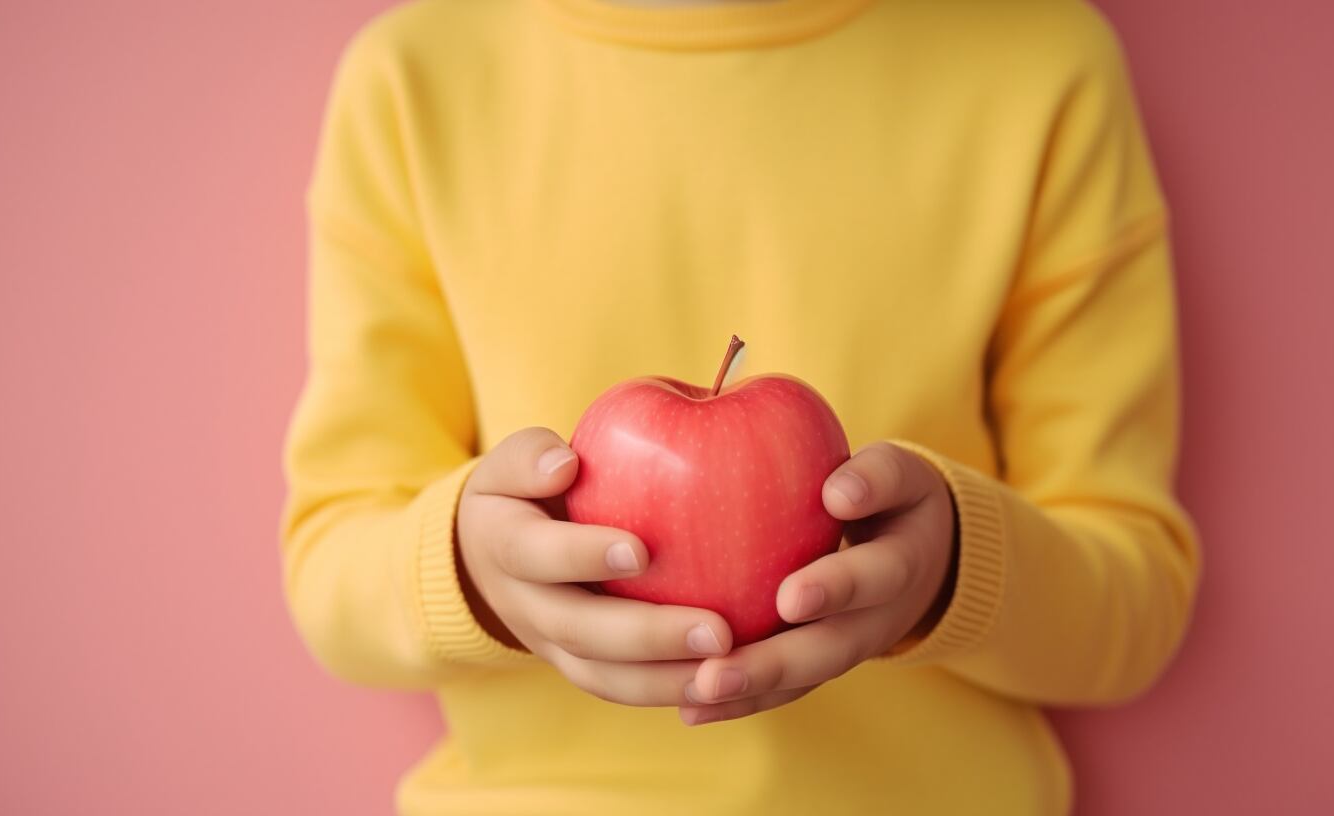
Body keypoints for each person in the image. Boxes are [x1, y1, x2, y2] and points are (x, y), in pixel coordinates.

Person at [279, 0, 1201, 812]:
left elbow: (1134, 605)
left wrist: (951, 569)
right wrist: (474, 570)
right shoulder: (414, 81)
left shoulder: (1040, 65)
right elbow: (329, 569)